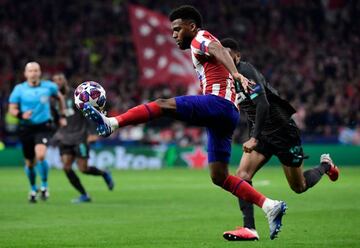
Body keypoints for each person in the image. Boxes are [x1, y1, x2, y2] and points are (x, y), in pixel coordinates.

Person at [82, 5, 287, 240]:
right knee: (219, 176)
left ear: (191, 26)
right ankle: (270, 205)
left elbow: (218, 49)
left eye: (177, 29)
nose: (173, 34)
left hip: (218, 104)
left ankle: (112, 123)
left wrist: (237, 73)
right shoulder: (197, 45)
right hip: (227, 114)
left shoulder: (200, 37)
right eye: (172, 30)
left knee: (162, 104)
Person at [220, 38, 340, 241]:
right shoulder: (229, 79)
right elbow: (251, 111)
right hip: (264, 135)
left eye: (228, 54)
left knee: (299, 186)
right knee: (241, 175)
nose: (224, 58)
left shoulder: (245, 71)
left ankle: (325, 166)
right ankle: (249, 228)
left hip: (284, 132)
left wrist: (254, 137)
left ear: (237, 56)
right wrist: (254, 136)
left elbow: (263, 105)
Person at [8, 62, 67, 203]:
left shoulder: (49, 87)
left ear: (39, 72)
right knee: (29, 163)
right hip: (26, 128)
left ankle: (45, 185)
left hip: (43, 126)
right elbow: (12, 108)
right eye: (30, 71)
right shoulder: (19, 89)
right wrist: (21, 115)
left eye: (36, 70)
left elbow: (60, 97)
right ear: (26, 73)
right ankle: (33, 188)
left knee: (40, 155)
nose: (33, 73)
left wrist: (62, 115)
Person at [52, 73, 114, 203]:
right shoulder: (54, 99)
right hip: (64, 138)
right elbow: (55, 117)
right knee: (66, 167)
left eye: (60, 79)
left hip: (80, 136)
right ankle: (84, 194)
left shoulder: (77, 96)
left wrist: (93, 132)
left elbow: (89, 112)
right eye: (55, 80)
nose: (58, 82)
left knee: (83, 169)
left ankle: (104, 173)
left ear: (65, 81)